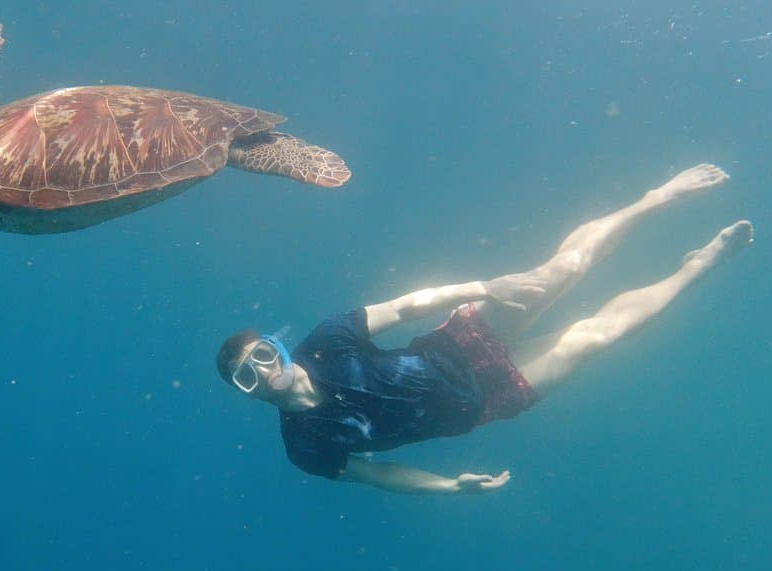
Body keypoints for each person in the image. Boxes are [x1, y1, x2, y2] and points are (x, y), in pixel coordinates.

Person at [216, 164, 754, 495]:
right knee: (597, 337)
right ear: (246, 392)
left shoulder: (327, 340)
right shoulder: (305, 446)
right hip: (480, 403)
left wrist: (484, 286)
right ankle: (697, 267)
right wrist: (451, 487)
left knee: (560, 272)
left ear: (277, 345)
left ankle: (655, 199)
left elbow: (406, 306)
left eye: (262, 354)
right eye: (246, 376)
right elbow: (380, 476)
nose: (263, 372)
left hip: (456, 344)